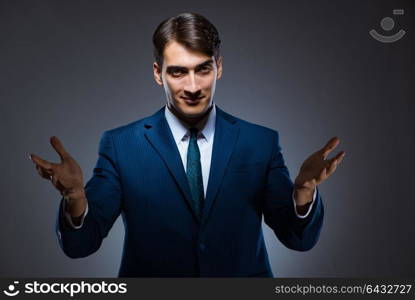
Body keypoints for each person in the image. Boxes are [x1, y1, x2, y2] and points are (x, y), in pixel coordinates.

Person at [30, 12, 345, 277]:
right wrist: (75, 197)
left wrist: (303, 192)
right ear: (158, 74)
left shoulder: (260, 142)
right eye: (178, 72)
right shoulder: (120, 145)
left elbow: (297, 239)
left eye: (203, 69)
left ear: (218, 67)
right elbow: (81, 244)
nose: (192, 86)